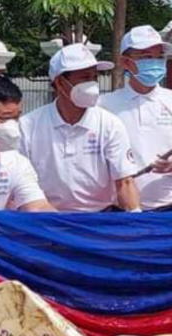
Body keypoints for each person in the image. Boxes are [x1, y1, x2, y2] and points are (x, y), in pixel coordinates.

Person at [19, 44, 141, 213]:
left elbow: (125, 181)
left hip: (99, 218)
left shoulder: (109, 124)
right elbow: (20, 181)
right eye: (84, 78)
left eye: (94, 77)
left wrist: (135, 216)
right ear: (60, 82)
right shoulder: (29, 125)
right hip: (46, 218)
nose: (92, 84)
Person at [100, 26, 172, 211]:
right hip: (121, 211)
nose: (155, 62)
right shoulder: (104, 105)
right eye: (146, 57)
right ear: (125, 62)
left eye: (159, 57)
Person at [0, 75, 54, 211]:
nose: (12, 126)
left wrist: (64, 224)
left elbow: (38, 207)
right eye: (5, 118)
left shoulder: (15, 162)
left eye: (16, 118)